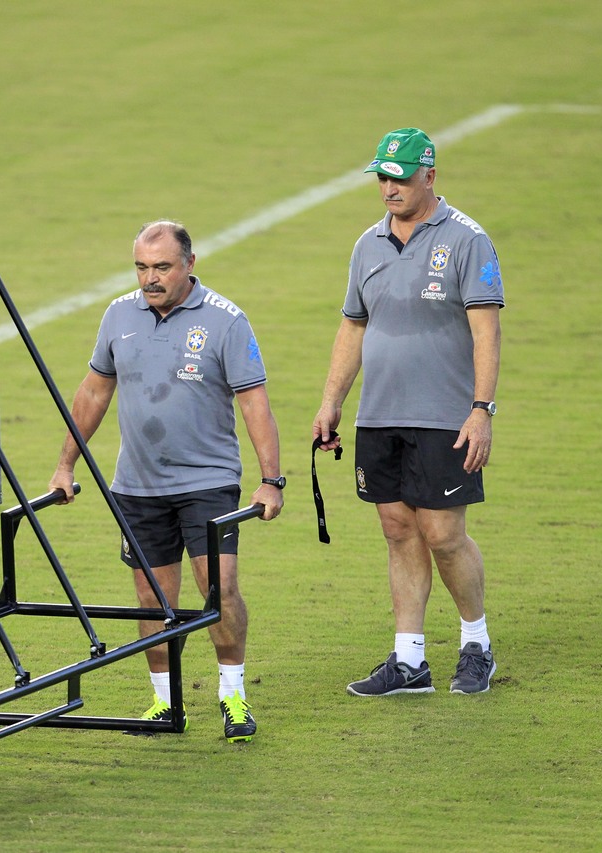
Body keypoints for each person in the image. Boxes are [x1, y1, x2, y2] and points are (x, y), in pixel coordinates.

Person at [49, 219, 284, 742]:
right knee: (152, 600)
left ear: (190, 265)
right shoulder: (118, 316)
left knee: (217, 591)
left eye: (161, 267)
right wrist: (65, 463)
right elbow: (92, 394)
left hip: (208, 482)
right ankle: (165, 702)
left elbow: (255, 404)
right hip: (137, 486)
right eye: (141, 267)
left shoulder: (227, 321)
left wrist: (272, 479)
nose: (149, 278)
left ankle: (233, 696)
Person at [313, 128, 504, 697]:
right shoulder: (367, 244)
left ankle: (477, 644)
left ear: (430, 176)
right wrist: (331, 402)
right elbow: (354, 325)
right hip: (380, 414)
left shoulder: (468, 240)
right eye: (381, 175)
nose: (388, 186)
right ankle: (409, 659)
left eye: (399, 176)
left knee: (444, 534)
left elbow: (486, 331)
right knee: (398, 530)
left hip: (446, 415)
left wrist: (482, 409)